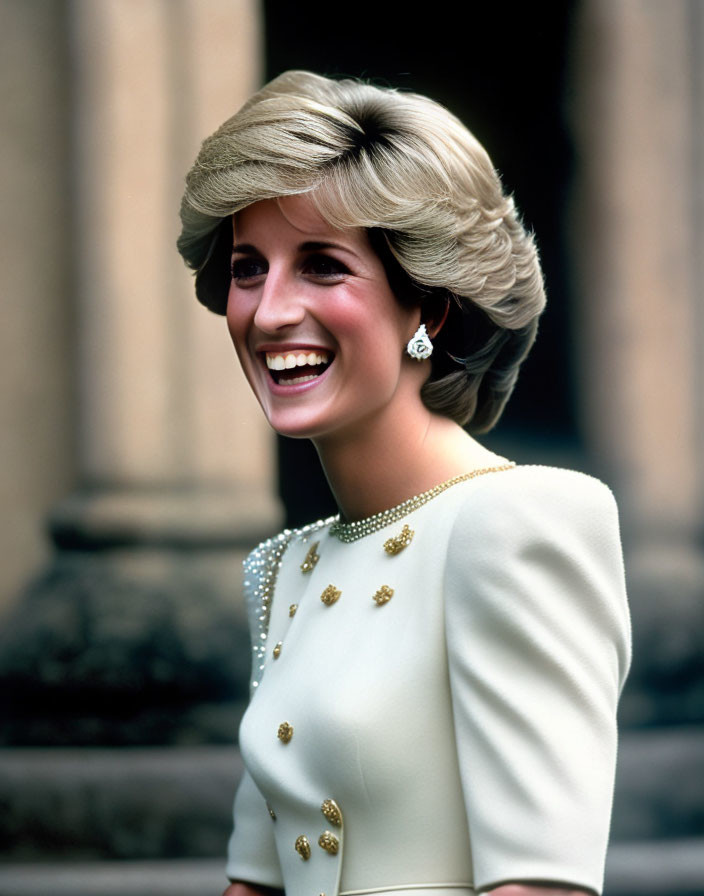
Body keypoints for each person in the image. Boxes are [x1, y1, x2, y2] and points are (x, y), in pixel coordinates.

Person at [177, 70, 631, 896]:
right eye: (249, 267)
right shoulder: (285, 569)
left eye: (321, 265)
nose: (269, 311)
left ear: (429, 309)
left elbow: (542, 886)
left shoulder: (520, 522)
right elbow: (256, 881)